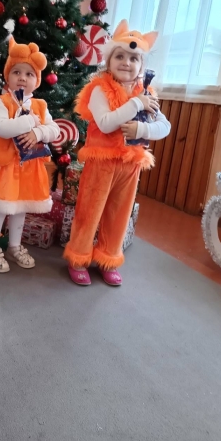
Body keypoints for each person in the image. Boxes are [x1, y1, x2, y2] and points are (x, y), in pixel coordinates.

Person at [63, 19, 171, 286]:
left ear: (141, 66)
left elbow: (164, 126)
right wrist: (136, 104)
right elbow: (105, 123)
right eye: (119, 56)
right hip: (102, 163)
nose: (126, 62)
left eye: (134, 58)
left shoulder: (146, 92)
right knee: (90, 211)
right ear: (108, 61)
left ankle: (108, 258)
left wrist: (141, 129)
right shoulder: (99, 89)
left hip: (130, 165)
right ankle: (78, 257)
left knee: (119, 214)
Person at [0, 37, 60, 273]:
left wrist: (37, 132)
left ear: (37, 81)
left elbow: (54, 130)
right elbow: (2, 128)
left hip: (29, 168)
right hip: (6, 168)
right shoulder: (1, 102)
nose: (22, 77)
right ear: (8, 76)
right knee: (1, 207)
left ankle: (14, 245)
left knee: (20, 208)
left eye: (29, 74)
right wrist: (29, 121)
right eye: (17, 72)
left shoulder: (40, 105)